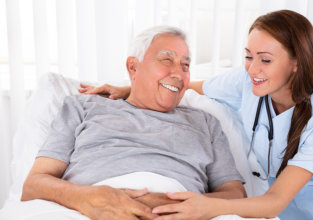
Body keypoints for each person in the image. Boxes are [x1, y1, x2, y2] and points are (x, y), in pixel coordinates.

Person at [80, 10, 313, 220]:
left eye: (265, 60)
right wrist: (128, 88)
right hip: (266, 201)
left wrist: (207, 205)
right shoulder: (248, 79)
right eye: (248, 56)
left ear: (296, 64)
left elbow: (275, 201)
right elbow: (186, 85)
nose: (253, 69)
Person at [21, 26, 246, 220]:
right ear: (133, 67)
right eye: (167, 60)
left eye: (185, 65)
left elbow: (235, 195)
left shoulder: (205, 122)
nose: (178, 73)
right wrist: (87, 197)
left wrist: (185, 205)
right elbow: (33, 186)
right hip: (86, 210)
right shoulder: (83, 107)